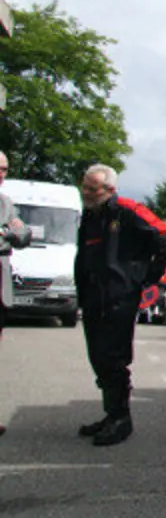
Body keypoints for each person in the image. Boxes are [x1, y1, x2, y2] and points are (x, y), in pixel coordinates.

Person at [74, 164, 166, 446]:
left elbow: (164, 234)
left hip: (119, 297)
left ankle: (121, 419)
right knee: (98, 357)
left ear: (110, 189)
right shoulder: (90, 214)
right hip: (93, 295)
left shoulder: (127, 210)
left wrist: (148, 276)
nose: (86, 192)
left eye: (93, 188)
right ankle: (111, 413)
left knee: (113, 357)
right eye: (85, 186)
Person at [0, 152, 32, 438]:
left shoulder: (5, 203)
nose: (1, 174)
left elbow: (23, 235)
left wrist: (10, 234)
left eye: (4, 169)